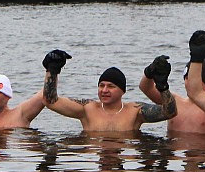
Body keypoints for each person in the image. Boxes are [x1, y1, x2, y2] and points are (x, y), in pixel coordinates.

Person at [42, 49, 176, 132]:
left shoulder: (135, 111)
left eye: (111, 86)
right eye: (101, 85)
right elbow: (51, 101)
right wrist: (52, 70)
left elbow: (169, 113)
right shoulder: (87, 109)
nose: (104, 90)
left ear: (122, 91)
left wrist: (163, 86)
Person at [138, 31, 205, 135]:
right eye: (186, 78)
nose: (189, 81)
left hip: (204, 150)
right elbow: (145, 88)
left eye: (192, 78)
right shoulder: (174, 102)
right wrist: (150, 71)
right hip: (173, 150)